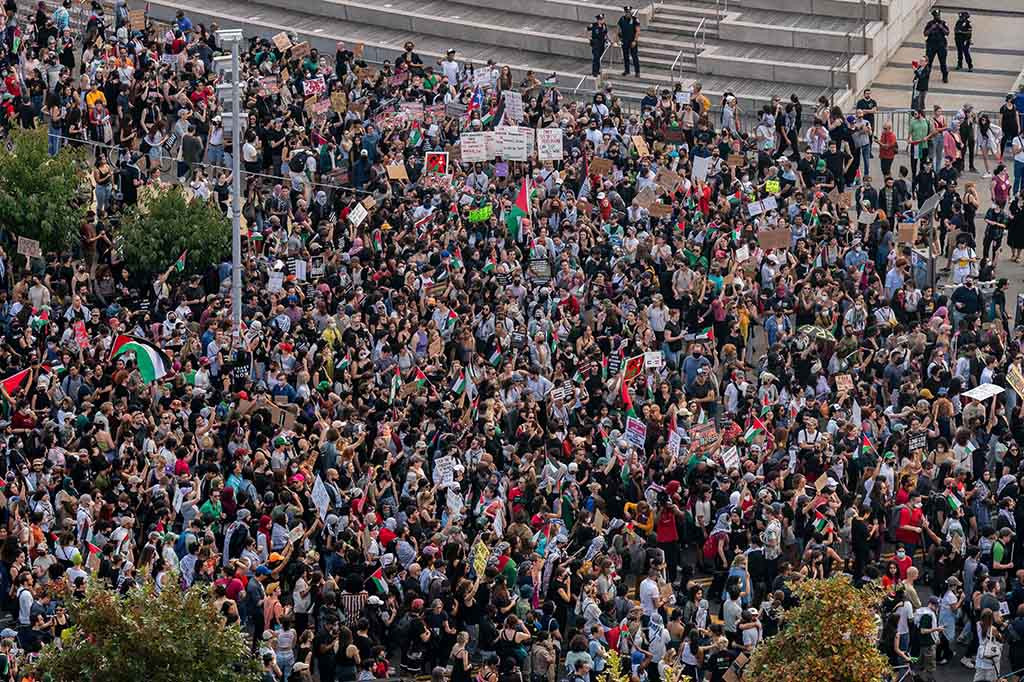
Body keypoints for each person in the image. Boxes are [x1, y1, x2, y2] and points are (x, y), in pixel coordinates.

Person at [923, 9, 950, 83]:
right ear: (933, 16)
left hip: (941, 46)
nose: (937, 17)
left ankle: (945, 76)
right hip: (931, 46)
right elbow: (925, 33)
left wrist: (941, 27)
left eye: (938, 15)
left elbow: (947, 33)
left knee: (943, 63)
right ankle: (926, 76)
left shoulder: (943, 23)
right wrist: (932, 28)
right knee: (928, 62)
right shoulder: (930, 23)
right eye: (936, 15)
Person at [618, 6, 640, 77]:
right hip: (624, 41)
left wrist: (635, 40)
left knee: (634, 57)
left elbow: (637, 31)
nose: (628, 13)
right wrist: (618, 39)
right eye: (627, 12)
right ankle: (627, 71)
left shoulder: (635, 20)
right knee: (625, 56)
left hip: (632, 41)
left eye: (629, 12)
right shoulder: (622, 19)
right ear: (625, 12)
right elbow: (618, 28)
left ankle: (637, 72)